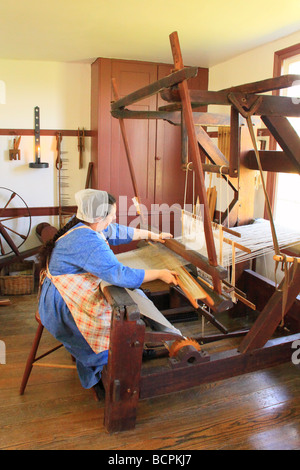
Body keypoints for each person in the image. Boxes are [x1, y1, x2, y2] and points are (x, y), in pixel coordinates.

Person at [38, 188, 178, 391]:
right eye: (111, 214)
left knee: (115, 313)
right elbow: (119, 274)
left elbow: (118, 231)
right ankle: (105, 371)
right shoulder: (87, 241)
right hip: (62, 309)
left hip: (57, 297)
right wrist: (159, 274)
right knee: (109, 328)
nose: (113, 217)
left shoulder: (82, 224)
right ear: (98, 216)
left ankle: (122, 353)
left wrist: (153, 235)